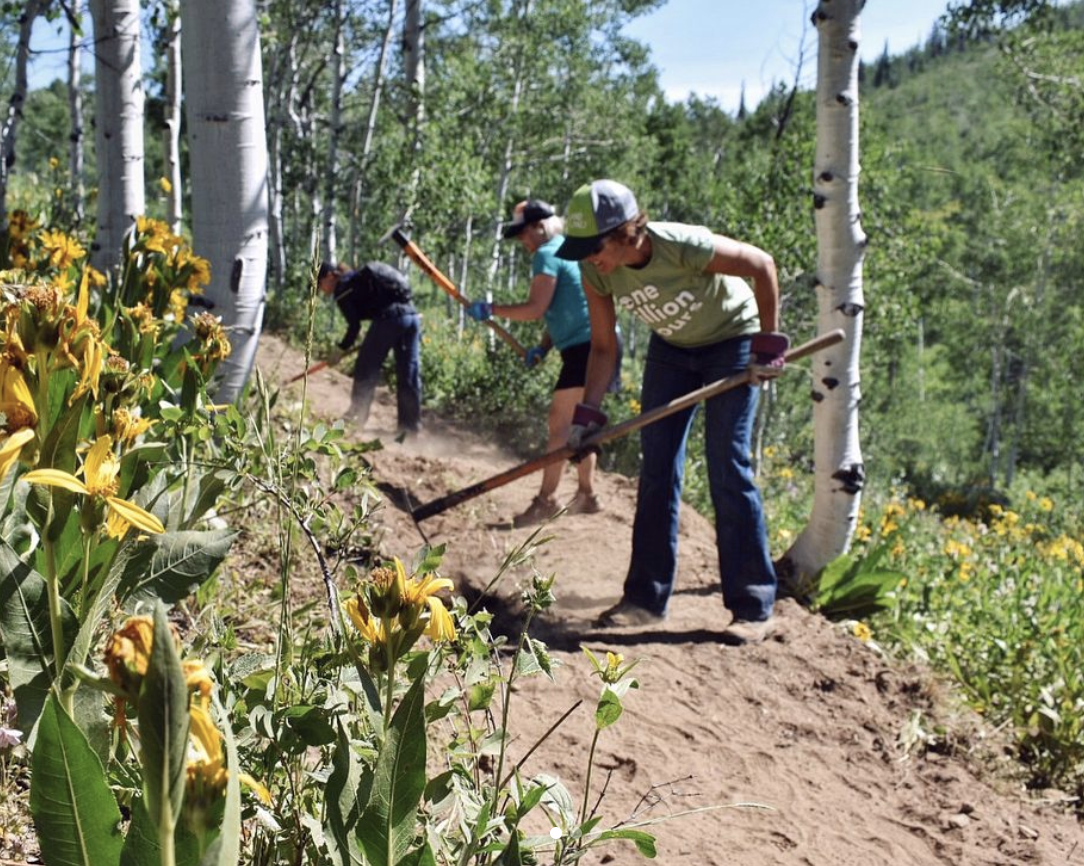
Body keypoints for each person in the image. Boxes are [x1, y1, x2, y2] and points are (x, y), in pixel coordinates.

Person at [555, 179, 789, 646]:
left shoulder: (679, 244)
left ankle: (753, 606)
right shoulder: (597, 270)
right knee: (658, 467)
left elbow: (761, 265)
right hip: (673, 350)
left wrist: (768, 345)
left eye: (593, 246)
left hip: (733, 341)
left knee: (728, 464)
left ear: (625, 232)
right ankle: (644, 599)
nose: (586, 257)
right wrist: (588, 415)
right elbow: (602, 348)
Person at [466, 199, 617, 527]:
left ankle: (546, 501)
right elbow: (566, 307)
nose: (523, 241)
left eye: (524, 233)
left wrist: (491, 310)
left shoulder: (547, 254)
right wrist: (544, 346)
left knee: (560, 425)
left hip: (586, 349)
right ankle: (588, 496)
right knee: (581, 424)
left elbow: (536, 308)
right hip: (598, 346)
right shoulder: (570, 250)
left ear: (540, 226)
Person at [319, 260, 422, 434]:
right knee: (409, 374)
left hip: (389, 319)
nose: (320, 290)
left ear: (329, 276)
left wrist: (340, 349)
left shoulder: (343, 289)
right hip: (411, 317)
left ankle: (355, 418)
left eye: (318, 284)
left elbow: (354, 327)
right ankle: (409, 428)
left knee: (365, 368)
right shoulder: (356, 279)